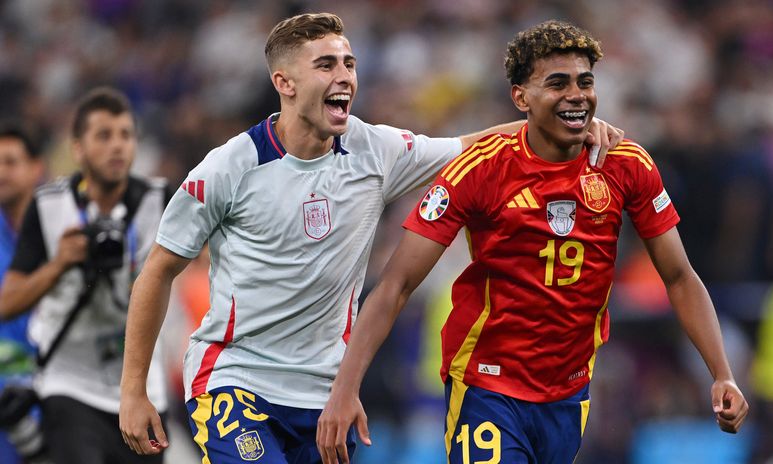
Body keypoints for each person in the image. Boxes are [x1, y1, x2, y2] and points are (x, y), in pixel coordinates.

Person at [117, 12, 623, 464]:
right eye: (326, 66)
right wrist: (134, 391)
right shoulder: (230, 167)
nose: (344, 77)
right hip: (236, 384)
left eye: (349, 63)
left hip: (328, 393)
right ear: (285, 82)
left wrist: (568, 117)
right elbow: (157, 271)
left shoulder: (374, 149)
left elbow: (477, 146)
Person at [318, 20, 749, 464]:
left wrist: (723, 374)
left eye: (585, 82)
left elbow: (679, 277)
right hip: (487, 386)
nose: (576, 94)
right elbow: (394, 286)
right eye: (557, 83)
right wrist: (345, 390)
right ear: (520, 96)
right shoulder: (480, 170)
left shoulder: (627, 165)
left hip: (569, 391)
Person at [0, 87, 172, 464]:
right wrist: (59, 264)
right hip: (70, 384)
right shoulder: (48, 206)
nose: (117, 146)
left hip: (142, 389)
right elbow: (7, 303)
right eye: (104, 135)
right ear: (77, 148)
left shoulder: (161, 201)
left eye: (126, 135)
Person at [0, 121, 46, 463]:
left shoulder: (65, 233)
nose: (1, 172)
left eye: (10, 162)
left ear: (36, 168)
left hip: (56, 396)